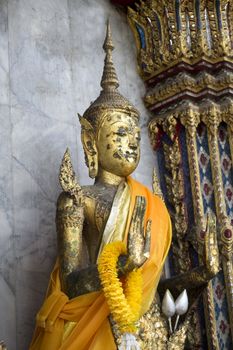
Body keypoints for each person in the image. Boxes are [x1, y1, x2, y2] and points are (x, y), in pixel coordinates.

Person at [30, 22, 219, 350]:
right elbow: (72, 284)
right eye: (119, 133)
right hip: (95, 329)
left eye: (134, 135)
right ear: (91, 143)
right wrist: (123, 263)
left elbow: (156, 295)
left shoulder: (152, 204)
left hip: (146, 334)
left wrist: (203, 273)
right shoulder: (78, 200)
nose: (131, 143)